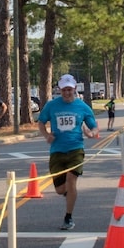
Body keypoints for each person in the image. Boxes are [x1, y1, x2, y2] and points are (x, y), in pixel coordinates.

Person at [37, 74, 100, 230]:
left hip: (75, 149)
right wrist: (47, 135)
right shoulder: (52, 105)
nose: (67, 93)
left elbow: (94, 126)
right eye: (64, 90)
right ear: (60, 90)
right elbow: (41, 122)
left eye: (69, 90)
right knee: (60, 190)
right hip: (57, 150)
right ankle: (70, 194)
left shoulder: (82, 107)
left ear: (75, 89)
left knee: (71, 180)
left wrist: (91, 133)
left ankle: (68, 217)